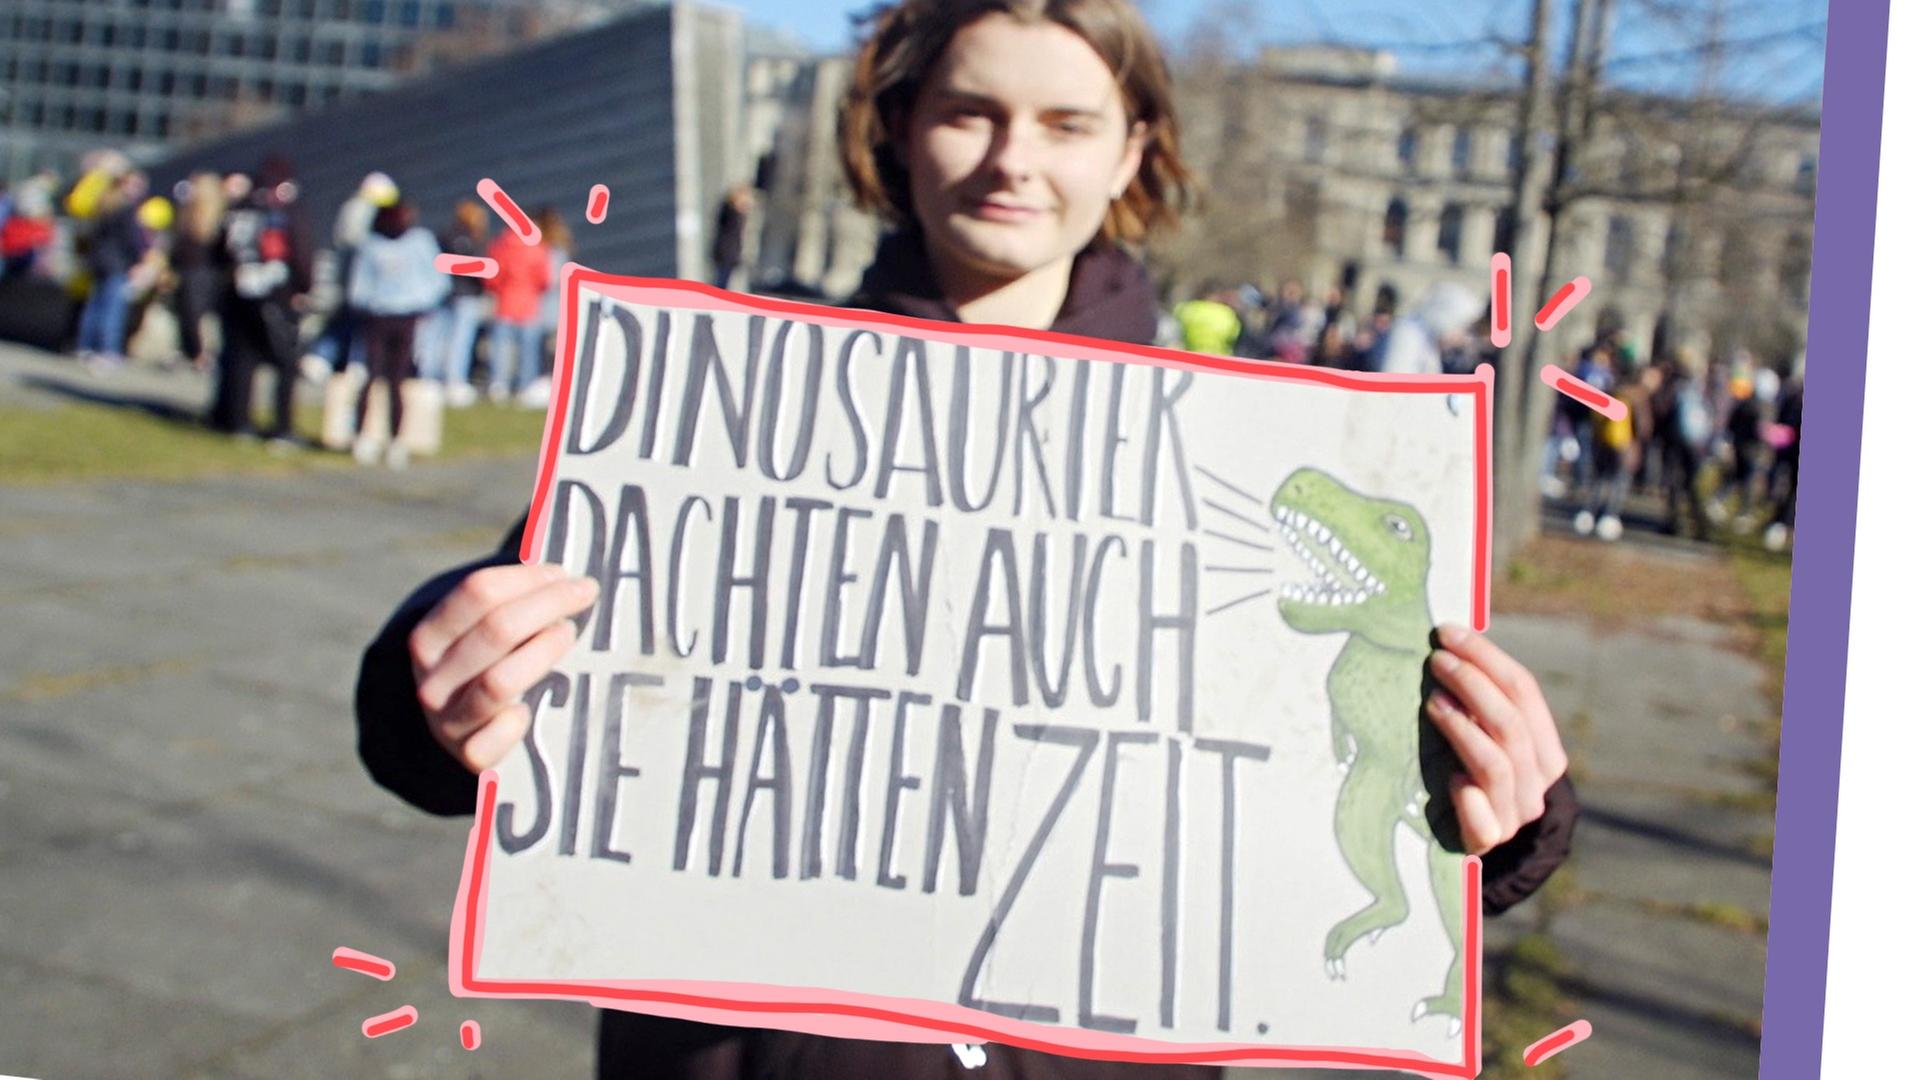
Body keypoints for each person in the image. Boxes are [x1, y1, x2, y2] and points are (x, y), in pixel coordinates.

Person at [355, 3, 1576, 1077]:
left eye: (1065, 124)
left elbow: (1354, 756)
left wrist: (1507, 800)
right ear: (898, 128)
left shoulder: (1250, 454)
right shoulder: (734, 404)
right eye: (969, 113)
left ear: (1131, 150)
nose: (1012, 160)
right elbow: (526, 607)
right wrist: (441, 675)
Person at [209, 156, 314, 443]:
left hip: (238, 292)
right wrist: (304, 288)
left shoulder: (240, 208)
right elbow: (301, 252)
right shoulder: (284, 210)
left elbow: (220, 250)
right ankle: (283, 428)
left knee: (243, 359)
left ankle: (238, 421)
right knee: (286, 361)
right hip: (276, 294)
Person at [347, 198, 448, 469]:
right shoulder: (372, 244)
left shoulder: (420, 242)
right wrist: (367, 304)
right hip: (378, 316)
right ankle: (361, 436)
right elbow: (359, 285)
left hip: (407, 317)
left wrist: (422, 303)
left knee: (397, 380)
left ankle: (396, 440)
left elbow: (437, 280)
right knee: (370, 375)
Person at [74, 170, 151, 368]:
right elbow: (131, 240)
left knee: (95, 306)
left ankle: (86, 346)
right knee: (112, 309)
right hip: (117, 263)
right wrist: (139, 260)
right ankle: (108, 350)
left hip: (99, 261)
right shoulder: (126, 209)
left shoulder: (104, 204)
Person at [420, 200, 491, 406]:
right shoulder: (458, 237)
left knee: (448, 340)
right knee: (453, 341)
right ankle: (447, 379)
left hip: (454, 295)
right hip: (458, 296)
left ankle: (439, 379)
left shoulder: (450, 236)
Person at [483, 217, 552, 405]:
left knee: (501, 349)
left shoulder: (500, 245)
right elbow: (544, 279)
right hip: (529, 306)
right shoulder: (537, 249)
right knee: (528, 352)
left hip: (505, 304)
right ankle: (525, 387)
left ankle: (498, 385)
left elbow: (492, 277)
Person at [171, 173, 228, 373]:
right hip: (187, 269)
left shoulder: (215, 214)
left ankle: (201, 354)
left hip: (202, 271)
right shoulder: (187, 212)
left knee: (196, 314)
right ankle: (189, 351)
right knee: (186, 313)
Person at [1366, 281, 1482, 376]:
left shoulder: (1427, 339)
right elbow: (1395, 383)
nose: (1463, 338)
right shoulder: (1408, 334)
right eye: (1464, 328)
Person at [1172, 283, 1242, 356]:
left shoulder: (1187, 309)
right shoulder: (1226, 313)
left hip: (1190, 356)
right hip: (1218, 358)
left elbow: (1175, 331)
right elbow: (1234, 335)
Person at [712, 183, 755, 289]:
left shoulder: (733, 213)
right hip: (727, 252)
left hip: (729, 252)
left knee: (724, 279)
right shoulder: (732, 213)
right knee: (722, 280)